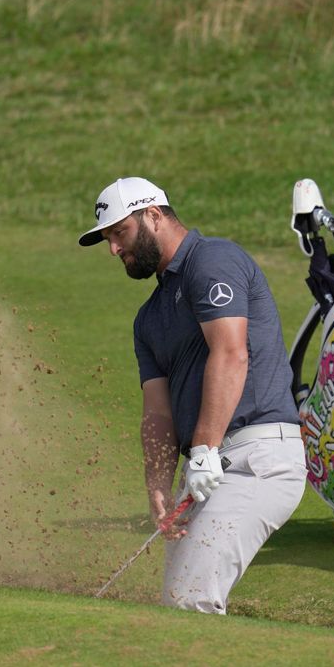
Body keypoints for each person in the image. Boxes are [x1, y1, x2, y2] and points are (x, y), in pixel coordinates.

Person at [78, 177, 306, 613]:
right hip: (208, 465)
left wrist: (203, 449)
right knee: (176, 604)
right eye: (107, 239)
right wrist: (159, 482)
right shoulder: (147, 320)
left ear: (154, 216)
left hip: (256, 459)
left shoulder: (213, 261)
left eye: (119, 233)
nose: (113, 249)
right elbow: (158, 413)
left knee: (189, 601)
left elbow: (231, 353)